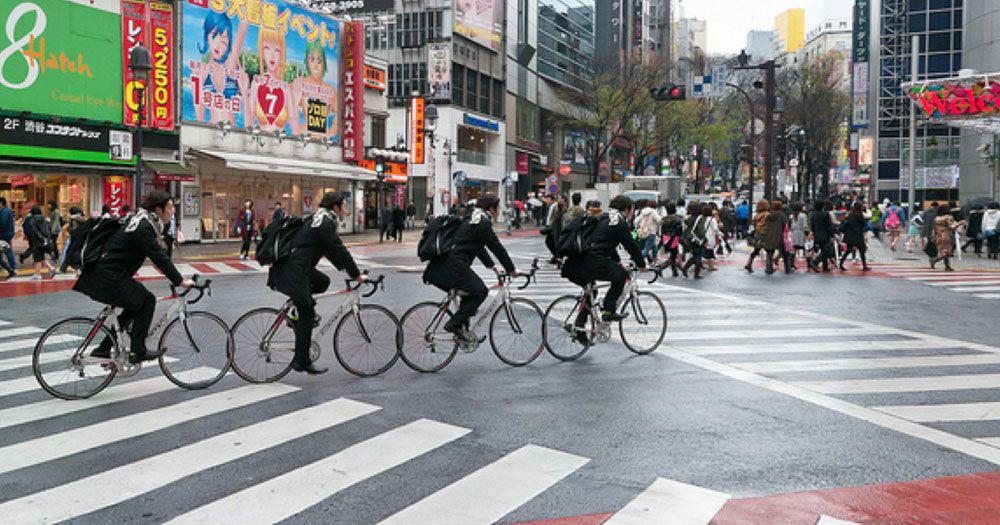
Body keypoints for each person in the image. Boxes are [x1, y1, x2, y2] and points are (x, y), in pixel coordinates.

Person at [74, 192, 195, 363]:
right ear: (158, 209)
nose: (172, 211)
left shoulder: (141, 221)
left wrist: (169, 272)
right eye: (169, 207)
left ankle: (103, 349)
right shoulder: (143, 227)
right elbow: (158, 256)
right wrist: (180, 281)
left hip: (106, 273)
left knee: (134, 305)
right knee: (147, 300)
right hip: (108, 276)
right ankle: (138, 351)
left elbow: (152, 254)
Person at [267, 192, 365, 374]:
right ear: (335, 207)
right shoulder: (325, 222)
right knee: (308, 314)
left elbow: (330, 251)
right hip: (294, 271)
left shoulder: (319, 219)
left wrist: (347, 271)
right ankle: (301, 361)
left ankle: (296, 312)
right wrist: (357, 275)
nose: (346, 210)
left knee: (323, 282)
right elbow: (338, 249)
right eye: (344, 206)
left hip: (296, 268)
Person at [423, 194, 518, 344]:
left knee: (470, 293)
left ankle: (463, 333)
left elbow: (478, 247)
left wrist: (492, 266)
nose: (499, 211)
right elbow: (496, 247)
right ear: (492, 208)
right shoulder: (481, 222)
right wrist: (511, 269)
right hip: (454, 266)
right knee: (481, 291)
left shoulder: (473, 218)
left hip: (447, 264)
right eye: (498, 208)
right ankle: (454, 324)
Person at [561, 196, 645, 330]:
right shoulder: (618, 221)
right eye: (632, 210)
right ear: (627, 209)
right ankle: (608, 311)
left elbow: (606, 245)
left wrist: (617, 262)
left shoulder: (603, 217)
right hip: (593, 261)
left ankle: (579, 328)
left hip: (576, 261)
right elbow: (630, 245)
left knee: (591, 292)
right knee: (622, 276)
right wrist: (642, 264)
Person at [20, 205, 54, 280]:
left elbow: (35, 231)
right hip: (44, 240)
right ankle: (51, 268)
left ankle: (38, 274)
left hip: (37, 241)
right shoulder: (44, 219)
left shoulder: (32, 220)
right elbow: (48, 229)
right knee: (42, 257)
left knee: (37, 258)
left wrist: (40, 238)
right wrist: (46, 239)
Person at [931, 203, 964, 271]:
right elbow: (952, 226)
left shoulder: (937, 218)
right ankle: (934, 260)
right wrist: (960, 223)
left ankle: (947, 266)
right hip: (946, 236)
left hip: (938, 236)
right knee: (947, 252)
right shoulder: (948, 217)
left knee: (942, 250)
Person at [839, 202, 871, 271]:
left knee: (848, 250)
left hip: (849, 235)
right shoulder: (859, 215)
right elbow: (863, 225)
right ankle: (864, 266)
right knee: (862, 251)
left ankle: (841, 264)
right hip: (858, 236)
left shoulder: (850, 214)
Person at [762, 200, 790, 275]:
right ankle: (787, 268)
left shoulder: (769, 215)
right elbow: (786, 225)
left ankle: (769, 268)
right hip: (780, 236)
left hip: (769, 236)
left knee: (769, 253)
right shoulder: (782, 215)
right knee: (785, 253)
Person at [809, 199, 835, 272]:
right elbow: (829, 226)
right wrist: (832, 234)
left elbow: (812, 225)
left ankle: (825, 266)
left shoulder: (813, 214)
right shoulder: (826, 214)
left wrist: (813, 233)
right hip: (825, 235)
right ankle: (815, 262)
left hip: (817, 235)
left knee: (823, 250)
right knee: (826, 251)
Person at [59, 207, 88, 273]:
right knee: (71, 252)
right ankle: (65, 267)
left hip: (75, 238)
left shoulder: (75, 218)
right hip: (78, 239)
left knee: (69, 252)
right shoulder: (77, 218)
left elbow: (73, 229)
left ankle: (64, 267)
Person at [744, 200, 770, 273]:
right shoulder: (767, 215)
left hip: (757, 234)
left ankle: (749, 263)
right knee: (768, 250)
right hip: (765, 235)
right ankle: (769, 267)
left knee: (756, 250)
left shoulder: (757, 215)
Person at [659, 202, 683, 277]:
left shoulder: (664, 219)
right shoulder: (678, 218)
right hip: (674, 238)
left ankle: (674, 270)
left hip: (666, 237)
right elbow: (679, 230)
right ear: (675, 209)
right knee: (673, 255)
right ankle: (661, 268)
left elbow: (662, 230)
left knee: (673, 255)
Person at [635, 200, 662, 264]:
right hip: (651, 232)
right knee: (646, 249)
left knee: (654, 247)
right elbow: (659, 220)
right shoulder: (653, 212)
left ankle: (654, 261)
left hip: (643, 233)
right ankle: (638, 260)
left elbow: (636, 221)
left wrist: (638, 228)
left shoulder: (643, 212)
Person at [0, 197, 15, 275]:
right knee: (6, 251)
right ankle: (12, 267)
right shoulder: (7, 210)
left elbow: (2, 224)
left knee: (7, 251)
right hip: (7, 233)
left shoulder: (4, 212)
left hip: (4, 234)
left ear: (1, 203)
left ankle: (12, 267)